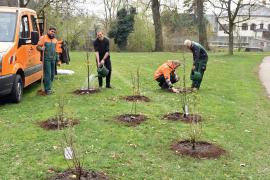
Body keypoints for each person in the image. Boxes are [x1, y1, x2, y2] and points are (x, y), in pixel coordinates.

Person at [37, 27, 59, 95]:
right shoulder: (43, 38)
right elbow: (37, 47)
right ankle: (47, 89)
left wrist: (57, 59)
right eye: (52, 31)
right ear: (49, 31)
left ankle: (49, 87)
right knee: (48, 74)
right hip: (46, 59)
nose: (53, 33)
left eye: (54, 32)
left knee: (52, 75)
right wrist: (41, 48)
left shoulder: (55, 40)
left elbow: (57, 50)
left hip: (53, 59)